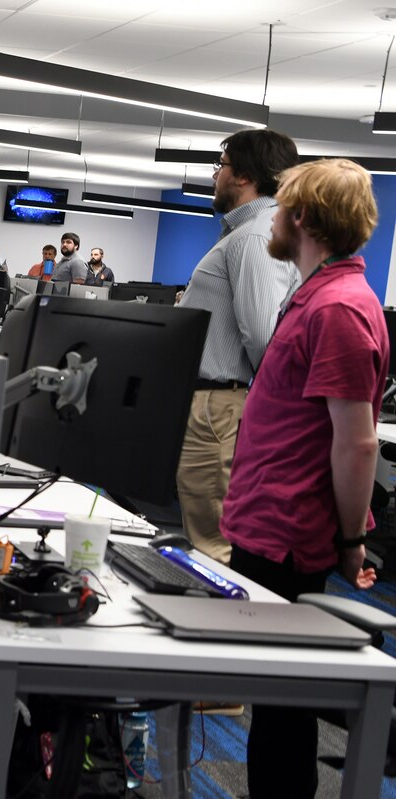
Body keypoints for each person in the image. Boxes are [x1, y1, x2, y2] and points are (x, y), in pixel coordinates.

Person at [220, 157, 386, 799]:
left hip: (290, 529)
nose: (273, 218)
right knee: (272, 695)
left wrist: (351, 541)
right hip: (267, 518)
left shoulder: (339, 308)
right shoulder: (315, 293)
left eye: (282, 205)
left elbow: (357, 442)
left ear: (305, 218)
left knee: (283, 702)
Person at [176, 128, 300, 563]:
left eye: (221, 166)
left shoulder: (252, 238)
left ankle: (221, 623)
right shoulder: (249, 233)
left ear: (244, 175)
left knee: (214, 543)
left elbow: (264, 337)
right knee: (206, 532)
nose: (215, 176)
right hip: (216, 404)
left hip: (218, 407)